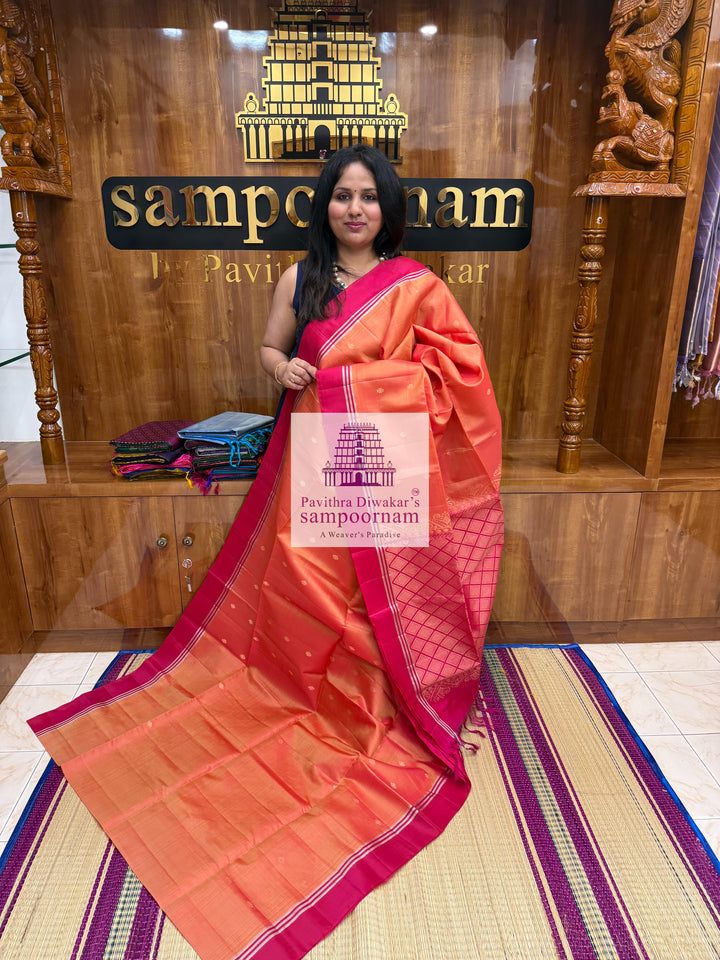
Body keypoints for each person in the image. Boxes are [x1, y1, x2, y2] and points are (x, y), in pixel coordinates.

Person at [29, 145, 503, 960]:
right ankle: (316, 696)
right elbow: (270, 351)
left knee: (377, 594)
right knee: (318, 588)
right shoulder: (301, 280)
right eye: (342, 197)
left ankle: (380, 701)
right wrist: (284, 368)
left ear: (388, 206)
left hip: (390, 461)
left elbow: (459, 375)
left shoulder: (418, 287)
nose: (355, 209)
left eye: (369, 197)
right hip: (318, 457)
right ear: (324, 206)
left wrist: (370, 384)